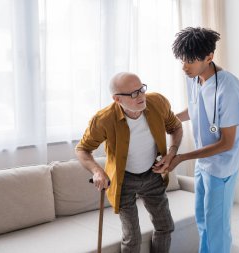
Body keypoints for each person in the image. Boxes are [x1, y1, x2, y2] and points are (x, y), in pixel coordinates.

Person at [156, 27, 239, 253]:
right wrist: (168, 119)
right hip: (202, 163)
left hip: (221, 167)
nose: (185, 67)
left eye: (191, 61)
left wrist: (181, 157)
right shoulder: (194, 77)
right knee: (203, 222)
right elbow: (195, 108)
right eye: (183, 60)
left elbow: (227, 143)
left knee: (217, 229)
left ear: (209, 57)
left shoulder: (228, 87)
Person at [75, 72, 183, 253]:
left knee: (165, 226)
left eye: (141, 89)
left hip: (153, 174)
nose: (141, 96)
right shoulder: (103, 119)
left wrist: (172, 153)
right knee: (132, 238)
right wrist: (97, 171)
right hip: (123, 180)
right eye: (133, 94)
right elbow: (82, 149)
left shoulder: (157, 103)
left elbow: (176, 126)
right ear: (117, 99)